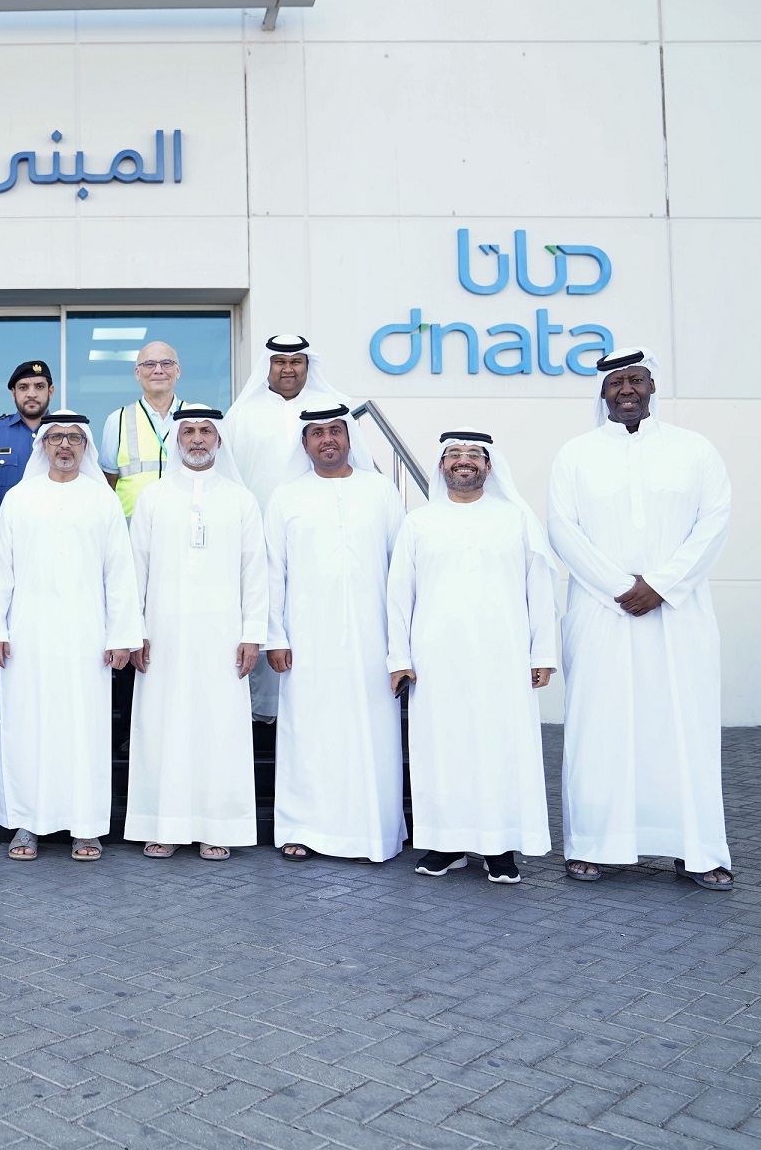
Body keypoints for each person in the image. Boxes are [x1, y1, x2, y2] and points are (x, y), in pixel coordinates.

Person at [548, 349, 734, 890]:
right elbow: (562, 529)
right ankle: (593, 846)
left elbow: (714, 523)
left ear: (652, 386)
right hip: (600, 613)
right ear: (602, 393)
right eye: (615, 382)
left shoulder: (694, 449)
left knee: (685, 729)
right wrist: (619, 587)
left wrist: (661, 585)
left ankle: (696, 849)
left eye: (635, 380)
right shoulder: (576, 454)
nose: (626, 389)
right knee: (599, 728)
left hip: (679, 614)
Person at [386, 431, 559, 885]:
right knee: (442, 750)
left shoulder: (515, 519)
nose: (464, 461)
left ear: (489, 465)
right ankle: (447, 844)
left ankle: (499, 848)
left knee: (501, 749)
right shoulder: (418, 522)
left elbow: (540, 589)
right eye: (454, 454)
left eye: (473, 455)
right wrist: (399, 657)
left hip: (503, 657)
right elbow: (399, 594)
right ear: (442, 465)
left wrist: (542, 652)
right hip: (436, 660)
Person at [0, 413, 142, 862]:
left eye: (73, 438)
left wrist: (122, 635)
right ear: (43, 446)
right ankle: (26, 823)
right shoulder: (19, 498)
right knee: (27, 728)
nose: (64, 445)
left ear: (85, 446)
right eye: (55, 437)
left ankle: (86, 827)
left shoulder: (102, 499)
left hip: (87, 636)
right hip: (27, 636)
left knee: (84, 730)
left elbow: (119, 572)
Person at [264, 403, 406, 863]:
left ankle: (373, 834)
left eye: (335, 431)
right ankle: (303, 828)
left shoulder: (381, 490)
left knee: (372, 736)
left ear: (349, 437)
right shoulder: (286, 496)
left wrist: (401, 645)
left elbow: (403, 570)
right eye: (317, 433)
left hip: (373, 638)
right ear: (304, 443)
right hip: (306, 639)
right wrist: (275, 636)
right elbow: (272, 572)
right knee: (308, 733)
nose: (327, 439)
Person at [124, 406, 264, 861]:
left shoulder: (241, 500)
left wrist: (252, 634)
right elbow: (135, 568)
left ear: (219, 440)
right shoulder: (153, 498)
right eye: (189, 431)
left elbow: (254, 571)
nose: (198, 439)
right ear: (176, 439)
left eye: (206, 431)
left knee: (218, 727)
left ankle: (216, 826)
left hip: (223, 635)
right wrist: (135, 629)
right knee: (161, 726)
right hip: (162, 633)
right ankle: (162, 825)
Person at [225, 334, 366, 724]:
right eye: (280, 361)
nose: (288, 369)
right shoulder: (242, 415)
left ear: (308, 366)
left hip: (316, 536)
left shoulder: (329, 408)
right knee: (261, 614)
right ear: (267, 366)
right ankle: (263, 715)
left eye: (296, 361)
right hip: (257, 536)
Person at [0, 359, 55, 548]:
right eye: (23, 387)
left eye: (39, 386)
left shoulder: (66, 435)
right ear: (13, 393)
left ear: (50, 391)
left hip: (51, 542)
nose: (31, 393)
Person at [99, 341, 186, 521]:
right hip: (133, 527)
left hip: (182, 523)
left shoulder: (195, 418)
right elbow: (109, 482)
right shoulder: (118, 420)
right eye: (149, 364)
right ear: (137, 373)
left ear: (178, 370)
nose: (158, 370)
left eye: (166, 363)